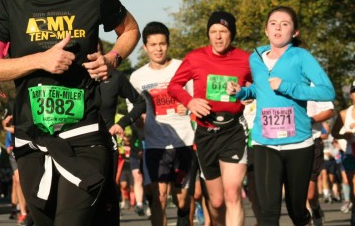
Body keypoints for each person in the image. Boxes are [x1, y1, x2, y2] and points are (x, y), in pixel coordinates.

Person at [0, 0, 140, 226]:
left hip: (85, 135)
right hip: (32, 138)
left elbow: (130, 30)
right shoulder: (6, 1)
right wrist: (41, 60)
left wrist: (111, 59)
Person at [228, 6, 335, 226]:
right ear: (266, 29)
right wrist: (242, 92)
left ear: (294, 32)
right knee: (268, 212)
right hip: (265, 141)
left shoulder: (302, 57)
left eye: (284, 24)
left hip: (298, 143)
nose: (278, 27)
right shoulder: (255, 57)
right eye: (273, 23)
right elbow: (261, 89)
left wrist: (287, 87)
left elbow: (327, 91)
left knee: (296, 210)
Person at [167, 11, 251, 226]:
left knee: (232, 194)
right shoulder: (195, 58)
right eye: (213, 32)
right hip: (206, 132)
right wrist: (190, 102)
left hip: (234, 130)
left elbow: (259, 87)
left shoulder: (245, 59)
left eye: (223, 31)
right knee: (216, 201)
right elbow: (174, 86)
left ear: (231, 34)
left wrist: (245, 91)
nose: (218, 36)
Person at [130, 21, 194, 226]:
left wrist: (189, 107)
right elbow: (134, 109)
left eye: (162, 44)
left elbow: (197, 99)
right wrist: (138, 121)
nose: (158, 49)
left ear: (168, 44)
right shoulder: (138, 77)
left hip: (183, 141)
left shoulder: (182, 68)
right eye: (153, 44)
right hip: (155, 145)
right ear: (145, 47)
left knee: (182, 200)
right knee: (159, 197)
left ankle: (184, 219)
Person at [97, 41, 146, 225]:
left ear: (103, 54)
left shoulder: (115, 78)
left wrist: (122, 123)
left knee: (108, 198)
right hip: (77, 146)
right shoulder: (74, 78)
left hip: (106, 145)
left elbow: (140, 102)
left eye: (97, 51)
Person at [306, 100, 335, 225]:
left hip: (312, 141)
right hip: (289, 143)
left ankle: (315, 207)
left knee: (310, 194)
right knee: (295, 190)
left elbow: (330, 111)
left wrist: (309, 120)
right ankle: (305, 219)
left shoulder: (315, 83)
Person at [331, 82, 355, 225]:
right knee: (353, 183)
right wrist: (344, 135)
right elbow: (334, 132)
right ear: (351, 94)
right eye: (354, 91)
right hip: (350, 153)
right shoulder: (344, 114)